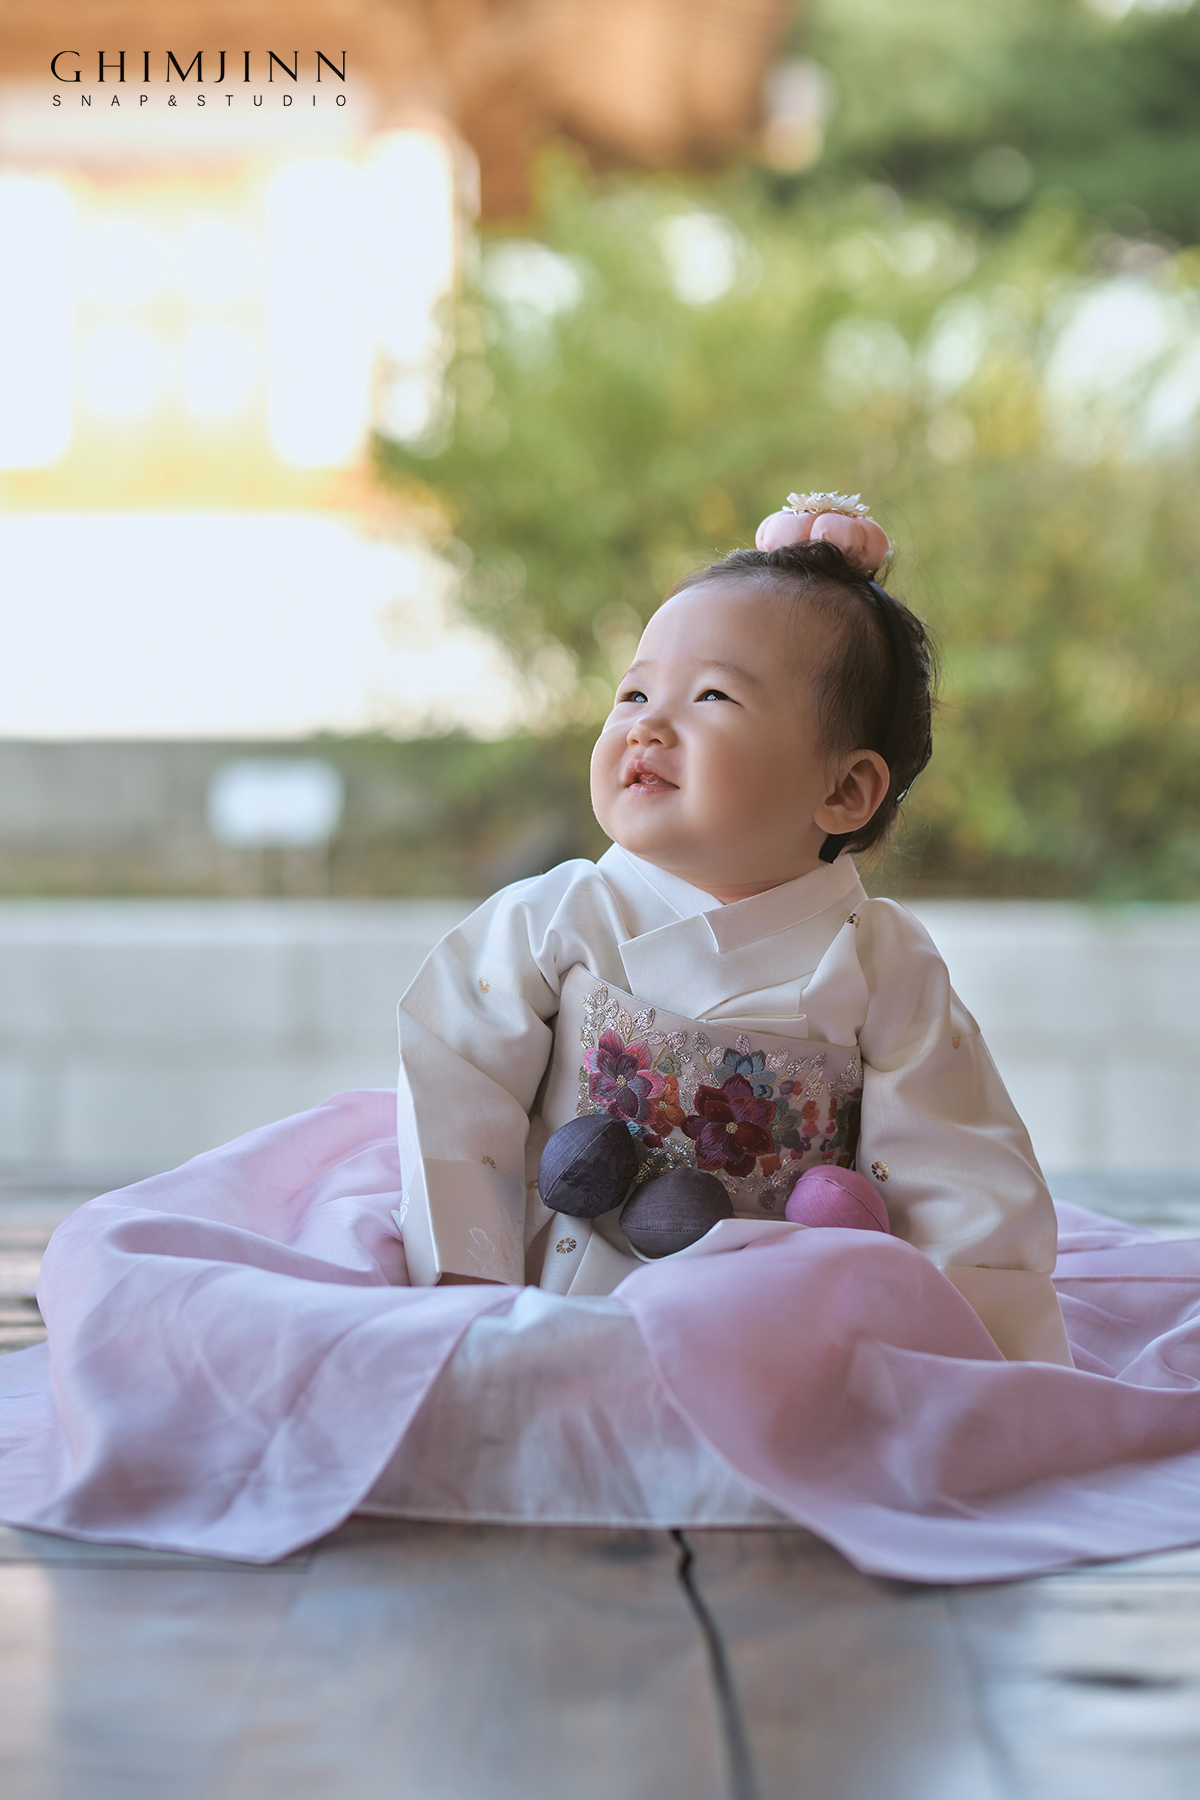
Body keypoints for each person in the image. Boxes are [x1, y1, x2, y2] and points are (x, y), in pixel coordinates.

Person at [395, 492, 1072, 1366]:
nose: (646, 724)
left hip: (781, 1319)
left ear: (844, 791)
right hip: (558, 1286)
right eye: (634, 691)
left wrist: (972, 1354)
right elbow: (458, 1073)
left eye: (712, 695)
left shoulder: (880, 963)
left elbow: (956, 1166)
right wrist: (469, 1280)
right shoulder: (560, 915)